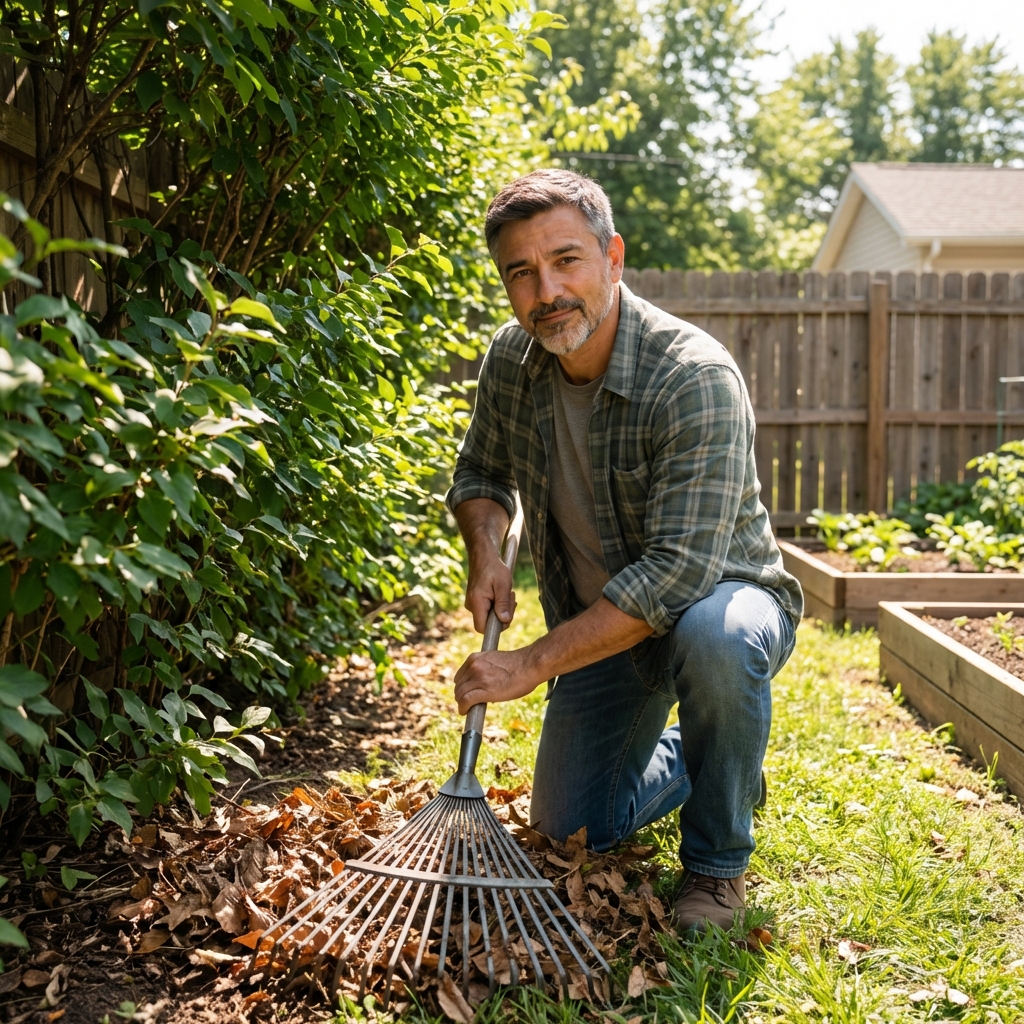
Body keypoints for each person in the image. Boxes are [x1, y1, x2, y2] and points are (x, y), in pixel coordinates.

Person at [445, 168, 802, 934]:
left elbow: (675, 575)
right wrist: (486, 550)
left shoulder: (692, 376)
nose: (547, 290)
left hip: (717, 598)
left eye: (566, 259)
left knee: (718, 637)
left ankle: (715, 866)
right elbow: (480, 473)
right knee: (572, 828)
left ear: (612, 257)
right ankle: (714, 762)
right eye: (521, 272)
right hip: (599, 626)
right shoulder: (513, 359)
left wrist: (526, 664)